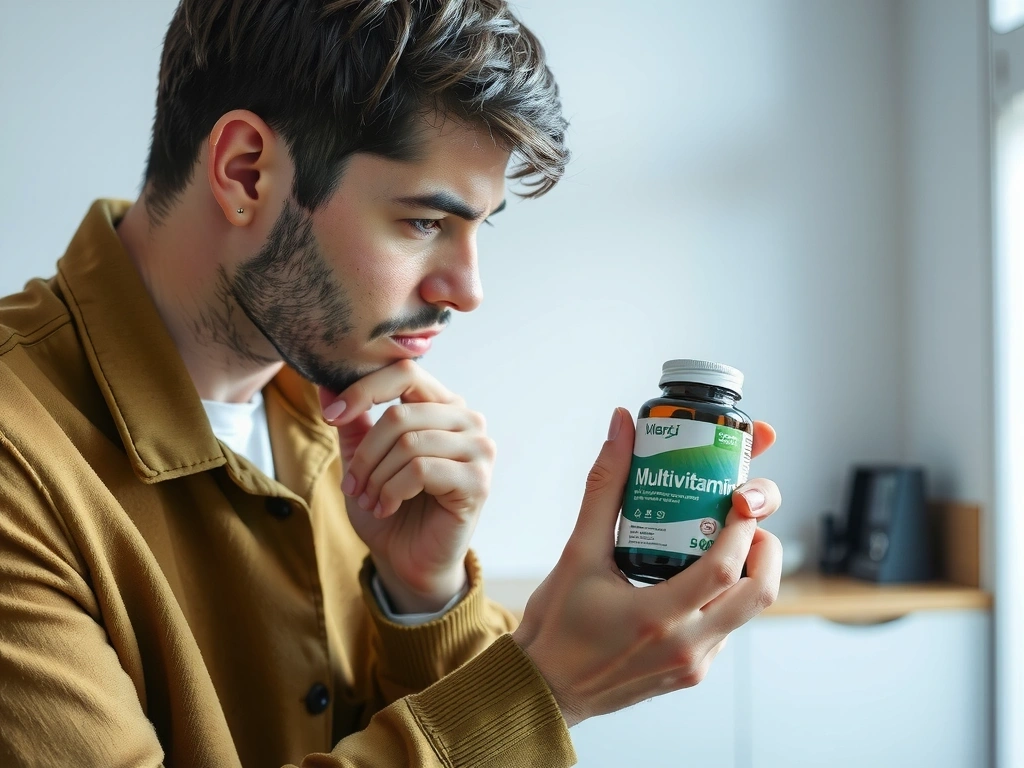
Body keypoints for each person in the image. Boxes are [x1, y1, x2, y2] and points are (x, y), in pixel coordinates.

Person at [0, 1, 783, 766]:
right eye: (423, 222)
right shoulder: (17, 458)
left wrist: (424, 597)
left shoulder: (346, 404)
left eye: (479, 227)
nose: (467, 290)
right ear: (246, 172)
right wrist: (543, 691)